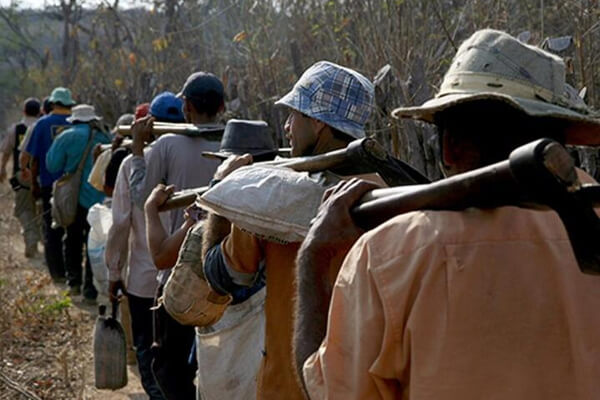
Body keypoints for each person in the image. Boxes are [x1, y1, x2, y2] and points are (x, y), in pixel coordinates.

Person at [293, 29, 600, 400]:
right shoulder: (592, 220)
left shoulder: (391, 255)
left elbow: (329, 393)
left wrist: (314, 258)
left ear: (450, 147)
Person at [200, 61, 375, 399]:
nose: (287, 127)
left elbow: (221, 275)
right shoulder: (389, 193)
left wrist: (222, 188)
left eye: (294, 115)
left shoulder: (274, 197)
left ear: (319, 123)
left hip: (290, 386)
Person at [144, 119, 279, 400]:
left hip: (230, 349)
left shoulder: (212, 214)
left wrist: (150, 212)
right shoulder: (287, 202)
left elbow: (161, 256)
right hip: (274, 352)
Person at [129, 75, 224, 399]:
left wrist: (138, 152)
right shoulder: (235, 142)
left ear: (187, 106)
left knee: (169, 365)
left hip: (181, 269)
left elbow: (142, 195)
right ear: (222, 107)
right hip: (229, 268)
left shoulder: (167, 145)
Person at [105, 92, 186, 400]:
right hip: (189, 279)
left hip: (144, 278)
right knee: (179, 358)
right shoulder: (208, 154)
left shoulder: (131, 164)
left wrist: (114, 271)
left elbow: (121, 225)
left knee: (146, 347)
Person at [45, 104, 111, 302]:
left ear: (75, 119)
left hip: (74, 198)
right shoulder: (103, 137)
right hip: (99, 199)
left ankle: (73, 283)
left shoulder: (67, 136)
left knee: (72, 239)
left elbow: (52, 165)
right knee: (95, 242)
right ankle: (90, 290)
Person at [25, 87, 75, 282]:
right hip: (74, 186)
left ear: (53, 103)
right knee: (72, 229)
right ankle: (73, 272)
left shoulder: (42, 124)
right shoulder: (78, 124)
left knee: (51, 227)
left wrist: (34, 184)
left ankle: (57, 273)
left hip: (49, 184)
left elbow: (34, 159)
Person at [0, 98, 42, 258]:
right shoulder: (42, 127)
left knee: (23, 208)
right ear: (39, 111)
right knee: (40, 208)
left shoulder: (16, 129)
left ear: (24, 111)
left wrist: (2, 169)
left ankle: (31, 238)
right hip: (42, 176)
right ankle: (42, 240)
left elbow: (6, 151)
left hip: (22, 175)